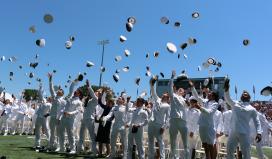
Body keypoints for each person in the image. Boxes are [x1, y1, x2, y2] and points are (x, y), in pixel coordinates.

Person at [224, 77, 262, 159]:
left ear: (249, 97)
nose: (244, 93)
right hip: (233, 132)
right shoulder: (235, 104)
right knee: (229, 151)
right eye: (243, 93)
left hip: (244, 133)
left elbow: (257, 121)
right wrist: (226, 89)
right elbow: (227, 98)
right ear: (241, 97)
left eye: (246, 93)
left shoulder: (252, 109)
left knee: (246, 154)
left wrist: (259, 133)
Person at [189, 80, 219, 159]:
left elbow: (209, 112)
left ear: (213, 96)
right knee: (205, 145)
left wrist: (200, 107)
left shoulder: (215, 104)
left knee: (211, 145)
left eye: (210, 93)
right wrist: (192, 87)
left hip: (209, 127)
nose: (208, 93)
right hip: (202, 126)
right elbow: (197, 97)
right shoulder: (205, 101)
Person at [148, 77, 170, 159]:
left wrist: (164, 127)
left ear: (168, 98)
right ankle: (150, 157)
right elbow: (153, 92)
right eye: (163, 94)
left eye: (166, 95)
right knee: (150, 141)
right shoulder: (157, 99)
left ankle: (162, 157)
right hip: (151, 123)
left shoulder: (168, 106)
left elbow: (168, 118)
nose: (163, 95)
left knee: (160, 142)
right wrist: (152, 84)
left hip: (159, 125)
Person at [58, 78, 83, 154]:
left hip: (71, 119)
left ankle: (73, 149)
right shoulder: (70, 97)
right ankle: (62, 148)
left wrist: (70, 113)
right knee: (61, 133)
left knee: (70, 134)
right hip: (63, 118)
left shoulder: (79, 102)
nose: (75, 92)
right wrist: (76, 81)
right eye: (75, 91)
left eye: (77, 92)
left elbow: (78, 110)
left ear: (79, 94)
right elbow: (71, 87)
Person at [169, 70, 190, 159]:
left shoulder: (184, 99)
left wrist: (187, 101)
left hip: (183, 121)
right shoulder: (173, 96)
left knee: (185, 142)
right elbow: (170, 86)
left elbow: (188, 106)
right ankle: (174, 157)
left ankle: (187, 157)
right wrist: (172, 77)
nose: (180, 90)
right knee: (173, 141)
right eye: (179, 89)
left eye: (182, 90)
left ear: (183, 93)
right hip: (174, 119)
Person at [77, 80, 99, 155]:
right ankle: (79, 149)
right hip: (84, 119)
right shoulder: (87, 100)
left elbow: (92, 94)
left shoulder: (95, 100)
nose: (94, 94)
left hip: (90, 119)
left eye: (96, 93)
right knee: (81, 135)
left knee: (92, 136)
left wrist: (89, 86)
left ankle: (94, 152)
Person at [48, 73, 67, 151]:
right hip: (52, 116)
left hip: (59, 118)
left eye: (60, 90)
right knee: (52, 132)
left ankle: (59, 146)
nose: (59, 90)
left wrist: (60, 118)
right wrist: (50, 79)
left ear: (62, 93)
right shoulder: (54, 97)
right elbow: (51, 88)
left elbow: (63, 110)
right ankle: (51, 145)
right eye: (59, 90)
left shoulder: (64, 100)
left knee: (59, 133)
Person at [96, 90, 114, 157]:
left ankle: (108, 153)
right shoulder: (105, 107)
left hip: (107, 125)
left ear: (112, 103)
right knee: (100, 139)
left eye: (109, 102)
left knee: (106, 140)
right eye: (108, 102)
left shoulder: (113, 109)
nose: (108, 103)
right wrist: (100, 96)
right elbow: (100, 103)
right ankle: (100, 153)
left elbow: (112, 118)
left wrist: (107, 120)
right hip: (101, 124)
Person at [34, 83, 51, 148]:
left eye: (50, 98)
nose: (49, 98)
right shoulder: (44, 101)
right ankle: (37, 143)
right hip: (39, 117)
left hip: (44, 118)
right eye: (49, 98)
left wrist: (48, 114)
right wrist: (40, 88)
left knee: (46, 130)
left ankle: (50, 142)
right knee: (37, 130)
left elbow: (52, 111)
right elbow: (40, 95)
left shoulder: (50, 104)